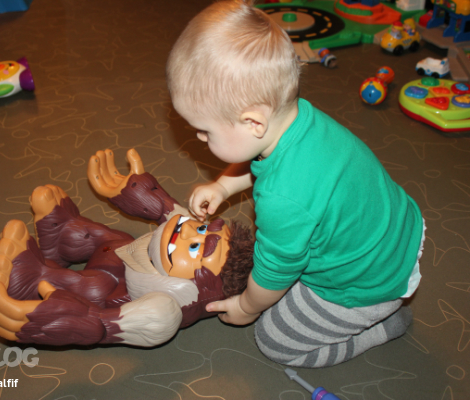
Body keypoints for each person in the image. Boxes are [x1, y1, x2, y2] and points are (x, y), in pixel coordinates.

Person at [166, 0, 425, 368]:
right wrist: (223, 186)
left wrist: (247, 306)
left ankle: (382, 326)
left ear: (254, 122)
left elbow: (276, 270)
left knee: (275, 340)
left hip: (366, 281)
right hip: (394, 232)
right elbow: (260, 159)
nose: (198, 137)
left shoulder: (282, 198)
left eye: (206, 131)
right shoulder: (296, 117)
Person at [0, 149, 255, 347]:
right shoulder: (182, 229)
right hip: (123, 254)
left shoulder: (164, 309)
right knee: (115, 239)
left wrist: (64, 319)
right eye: (201, 230)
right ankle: (62, 235)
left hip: (113, 290)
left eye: (195, 248)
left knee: (95, 286)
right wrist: (137, 190)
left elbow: (102, 325)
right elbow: (167, 208)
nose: (187, 231)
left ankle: (33, 278)